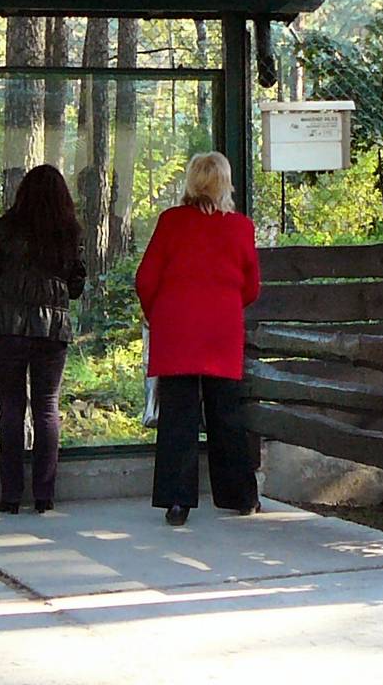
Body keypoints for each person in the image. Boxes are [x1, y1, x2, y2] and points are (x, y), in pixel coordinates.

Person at [135, 150, 261, 526]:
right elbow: (252, 286)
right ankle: (241, 497)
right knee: (226, 413)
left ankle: (177, 502)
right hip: (220, 329)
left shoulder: (171, 222)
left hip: (176, 329)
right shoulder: (240, 227)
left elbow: (145, 278)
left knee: (178, 416)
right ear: (225, 183)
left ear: (191, 182)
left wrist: (157, 313)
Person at [0, 164, 86, 515]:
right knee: (46, 406)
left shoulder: (8, 225)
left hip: (7, 326)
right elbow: (76, 286)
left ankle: (10, 496)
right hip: (52, 331)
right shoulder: (69, 231)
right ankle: (44, 495)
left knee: (11, 407)